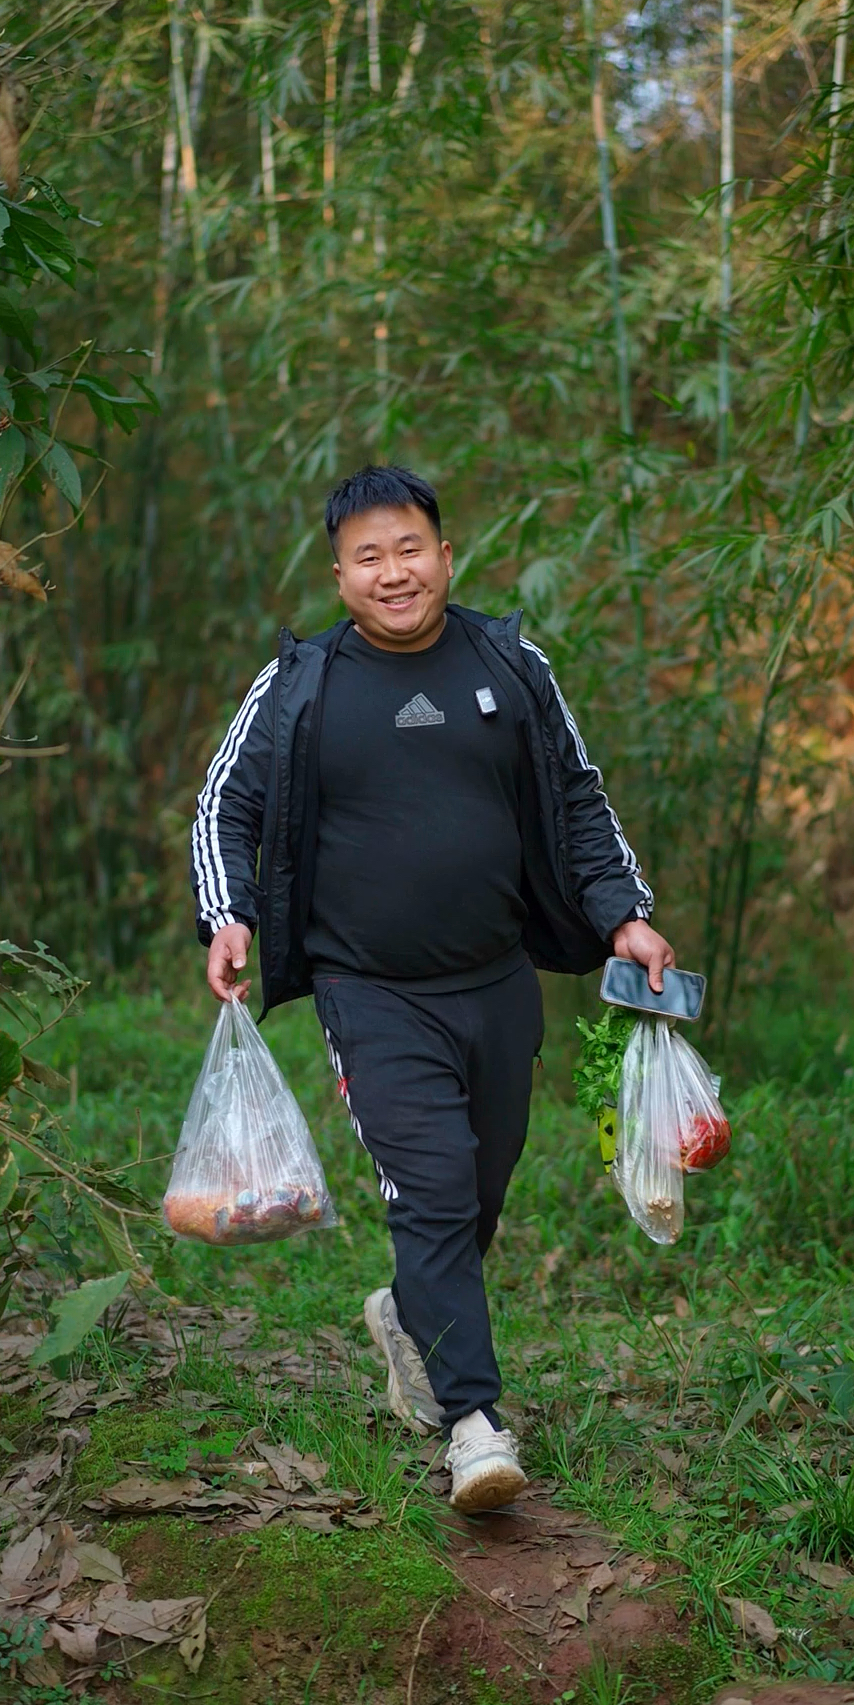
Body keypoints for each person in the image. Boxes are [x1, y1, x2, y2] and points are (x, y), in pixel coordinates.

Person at [191, 464, 675, 1514]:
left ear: (446, 555)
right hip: (368, 990)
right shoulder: (300, 684)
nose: (394, 571)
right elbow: (222, 805)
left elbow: (579, 800)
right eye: (369, 556)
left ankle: (413, 1313)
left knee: (481, 1182)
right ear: (340, 575)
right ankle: (473, 1424)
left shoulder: (510, 662)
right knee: (434, 1191)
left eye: (411, 548)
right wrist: (227, 913)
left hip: (496, 981)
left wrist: (623, 914)